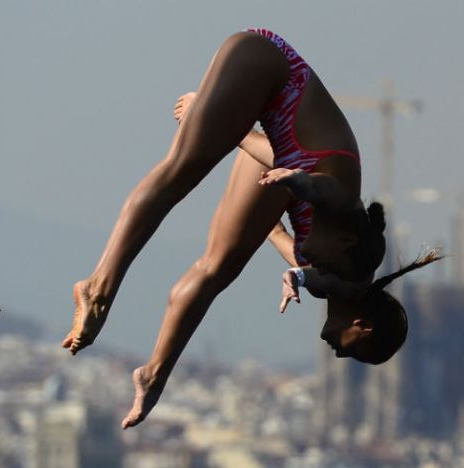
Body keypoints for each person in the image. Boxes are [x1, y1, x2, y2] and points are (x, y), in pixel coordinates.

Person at [61, 28, 427, 429]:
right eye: (354, 352)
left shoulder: (323, 280)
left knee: (218, 268)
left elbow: (273, 232)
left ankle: (154, 374)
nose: (339, 356)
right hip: (273, 70)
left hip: (284, 154)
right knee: (180, 172)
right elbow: (335, 196)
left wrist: (292, 272)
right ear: (363, 325)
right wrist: (299, 183)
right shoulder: (360, 257)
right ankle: (99, 287)